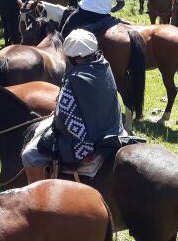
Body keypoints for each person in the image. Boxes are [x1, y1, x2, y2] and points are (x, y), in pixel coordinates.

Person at [20, 30, 125, 183]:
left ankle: (38, 200)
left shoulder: (73, 79)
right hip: (114, 128)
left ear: (76, 57)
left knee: (29, 155)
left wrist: (57, 117)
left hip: (91, 142)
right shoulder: (104, 64)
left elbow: (67, 120)